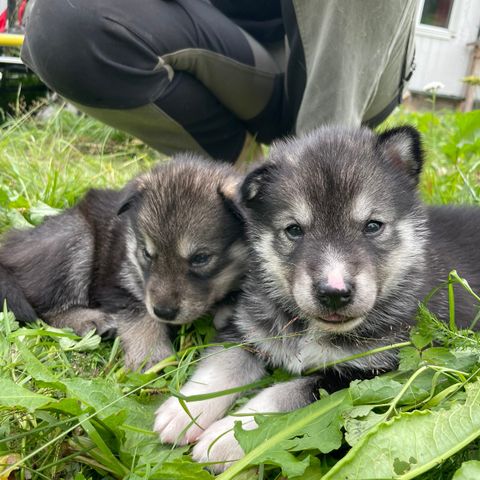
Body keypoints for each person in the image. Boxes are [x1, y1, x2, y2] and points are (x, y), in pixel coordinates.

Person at [21, 0, 418, 165]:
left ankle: (320, 184)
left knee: (313, 197)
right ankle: (244, 177)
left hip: (345, 60)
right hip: (229, 41)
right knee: (62, 19)